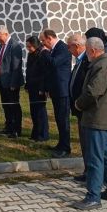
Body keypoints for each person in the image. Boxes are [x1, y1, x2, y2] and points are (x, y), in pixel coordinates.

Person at [72, 37, 107, 210]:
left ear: (93, 50)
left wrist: (78, 104)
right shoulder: (103, 64)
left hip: (97, 119)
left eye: (86, 50)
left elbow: (93, 92)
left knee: (95, 159)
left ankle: (93, 196)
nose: (85, 53)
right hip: (103, 119)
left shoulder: (102, 66)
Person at [39, 29, 72, 158]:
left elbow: (54, 63)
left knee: (63, 120)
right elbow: (49, 70)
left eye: (43, 40)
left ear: (49, 38)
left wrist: (46, 52)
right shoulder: (53, 49)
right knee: (59, 119)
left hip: (62, 90)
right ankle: (61, 143)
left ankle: (66, 147)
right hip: (55, 89)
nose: (42, 43)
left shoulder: (62, 48)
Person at [67, 33, 90, 182]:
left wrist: (79, 103)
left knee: (89, 144)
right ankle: (88, 171)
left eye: (69, 47)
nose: (68, 50)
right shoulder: (79, 60)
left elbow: (89, 88)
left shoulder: (87, 61)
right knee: (84, 143)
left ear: (77, 46)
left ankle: (92, 175)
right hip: (79, 109)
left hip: (86, 109)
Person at [0, 25, 24, 138]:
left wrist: (13, 84)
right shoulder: (1, 46)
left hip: (11, 83)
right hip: (2, 82)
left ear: (6, 34)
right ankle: (8, 127)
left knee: (14, 106)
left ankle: (16, 130)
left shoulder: (14, 46)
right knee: (6, 106)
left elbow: (16, 67)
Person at [24, 36, 49, 142]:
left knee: (40, 112)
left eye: (30, 46)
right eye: (27, 47)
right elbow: (29, 71)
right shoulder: (31, 55)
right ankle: (35, 133)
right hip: (32, 87)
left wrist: (42, 88)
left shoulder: (42, 54)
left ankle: (42, 134)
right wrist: (27, 84)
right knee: (33, 111)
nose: (28, 48)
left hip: (39, 88)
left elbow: (45, 73)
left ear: (35, 45)